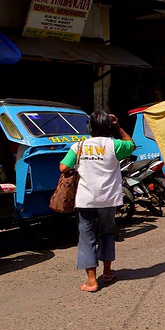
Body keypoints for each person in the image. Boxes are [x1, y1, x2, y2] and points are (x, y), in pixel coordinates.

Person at [59, 111, 135, 292]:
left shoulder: (79, 146)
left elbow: (63, 167)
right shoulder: (114, 145)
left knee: (87, 238)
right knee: (107, 233)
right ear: (108, 127)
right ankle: (107, 273)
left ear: (90, 127)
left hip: (86, 200)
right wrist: (118, 126)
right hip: (109, 199)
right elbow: (131, 145)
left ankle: (92, 282)